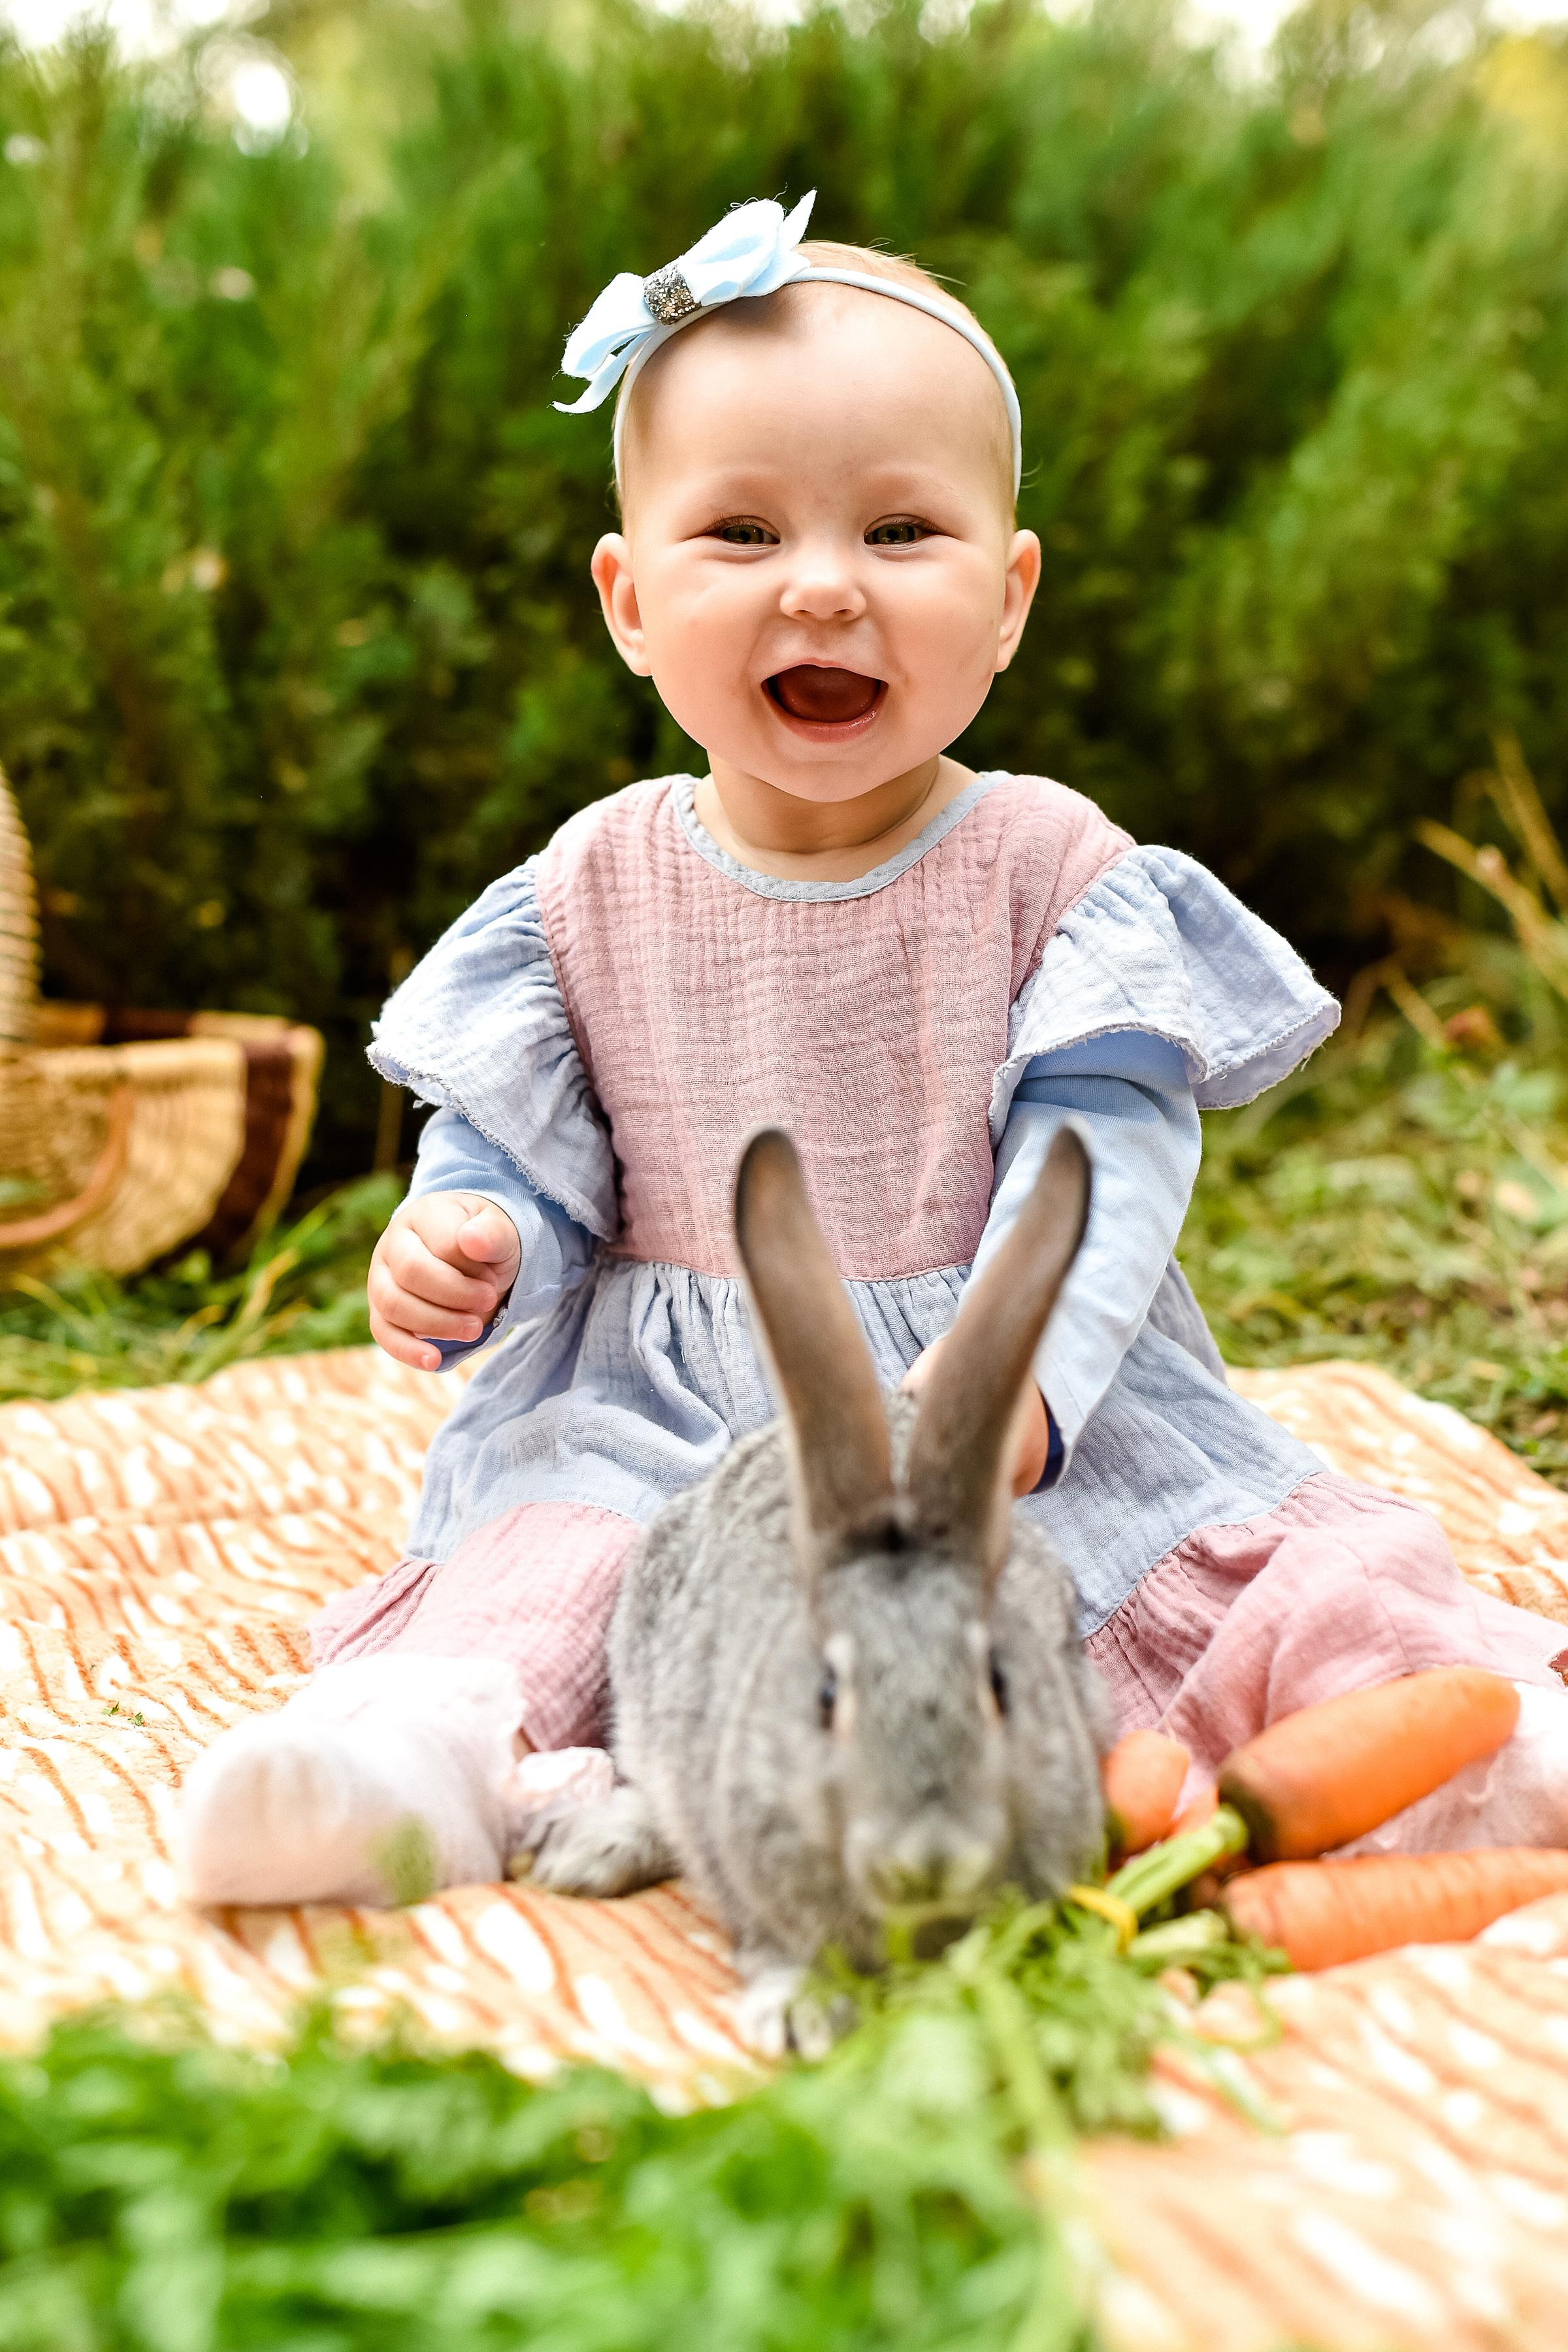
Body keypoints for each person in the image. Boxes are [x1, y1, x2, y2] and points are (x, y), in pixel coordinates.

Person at [179, 194, 1568, 1908]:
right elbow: (522, 1155)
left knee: (1232, 1578)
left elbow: (1099, 1167)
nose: (825, 587)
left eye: (902, 533)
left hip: (995, 1400)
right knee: (554, 1572)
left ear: (1009, 593)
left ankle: (1433, 1737)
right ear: (628, 598)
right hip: (666, 1410)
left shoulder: (1051, 866)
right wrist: (474, 1239)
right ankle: (414, 1765)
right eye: (743, 534)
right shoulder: (583, 889)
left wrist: (1015, 1399)